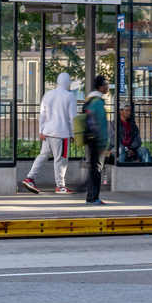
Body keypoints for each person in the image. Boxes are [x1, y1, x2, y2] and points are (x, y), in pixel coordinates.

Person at [23, 72, 77, 194]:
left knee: (43, 155)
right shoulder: (69, 96)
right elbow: (72, 116)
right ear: (68, 82)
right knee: (61, 160)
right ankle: (60, 186)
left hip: (48, 132)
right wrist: (73, 133)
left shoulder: (49, 94)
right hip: (62, 133)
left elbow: (42, 113)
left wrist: (41, 130)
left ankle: (30, 178)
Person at [83, 74, 110, 205]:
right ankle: (93, 197)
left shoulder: (91, 101)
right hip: (98, 142)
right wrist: (102, 144)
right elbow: (100, 125)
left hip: (93, 140)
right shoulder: (97, 102)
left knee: (94, 169)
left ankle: (91, 196)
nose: (107, 87)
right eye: (105, 84)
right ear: (100, 87)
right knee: (96, 169)